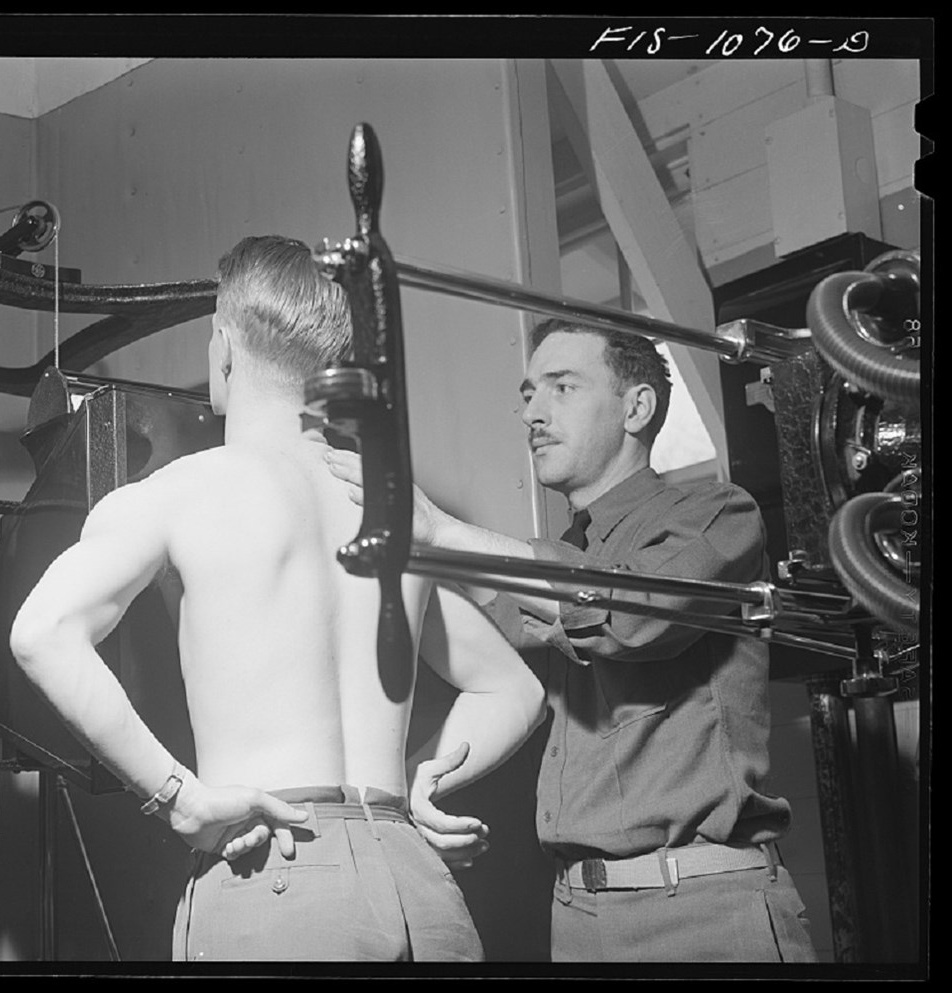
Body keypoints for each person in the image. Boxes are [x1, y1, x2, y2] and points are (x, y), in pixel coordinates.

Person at [9, 235, 546, 963]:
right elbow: (514, 686)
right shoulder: (389, 512)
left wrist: (178, 796)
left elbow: (41, 631)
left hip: (278, 870)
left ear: (224, 349)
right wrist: (427, 775)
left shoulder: (185, 490)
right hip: (418, 882)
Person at [326, 317, 818, 963]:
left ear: (637, 406)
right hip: (579, 915)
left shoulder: (717, 515)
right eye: (529, 393)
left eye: (562, 387)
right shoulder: (564, 557)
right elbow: (492, 652)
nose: (534, 411)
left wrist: (440, 532)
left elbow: (632, 613)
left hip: (702, 911)